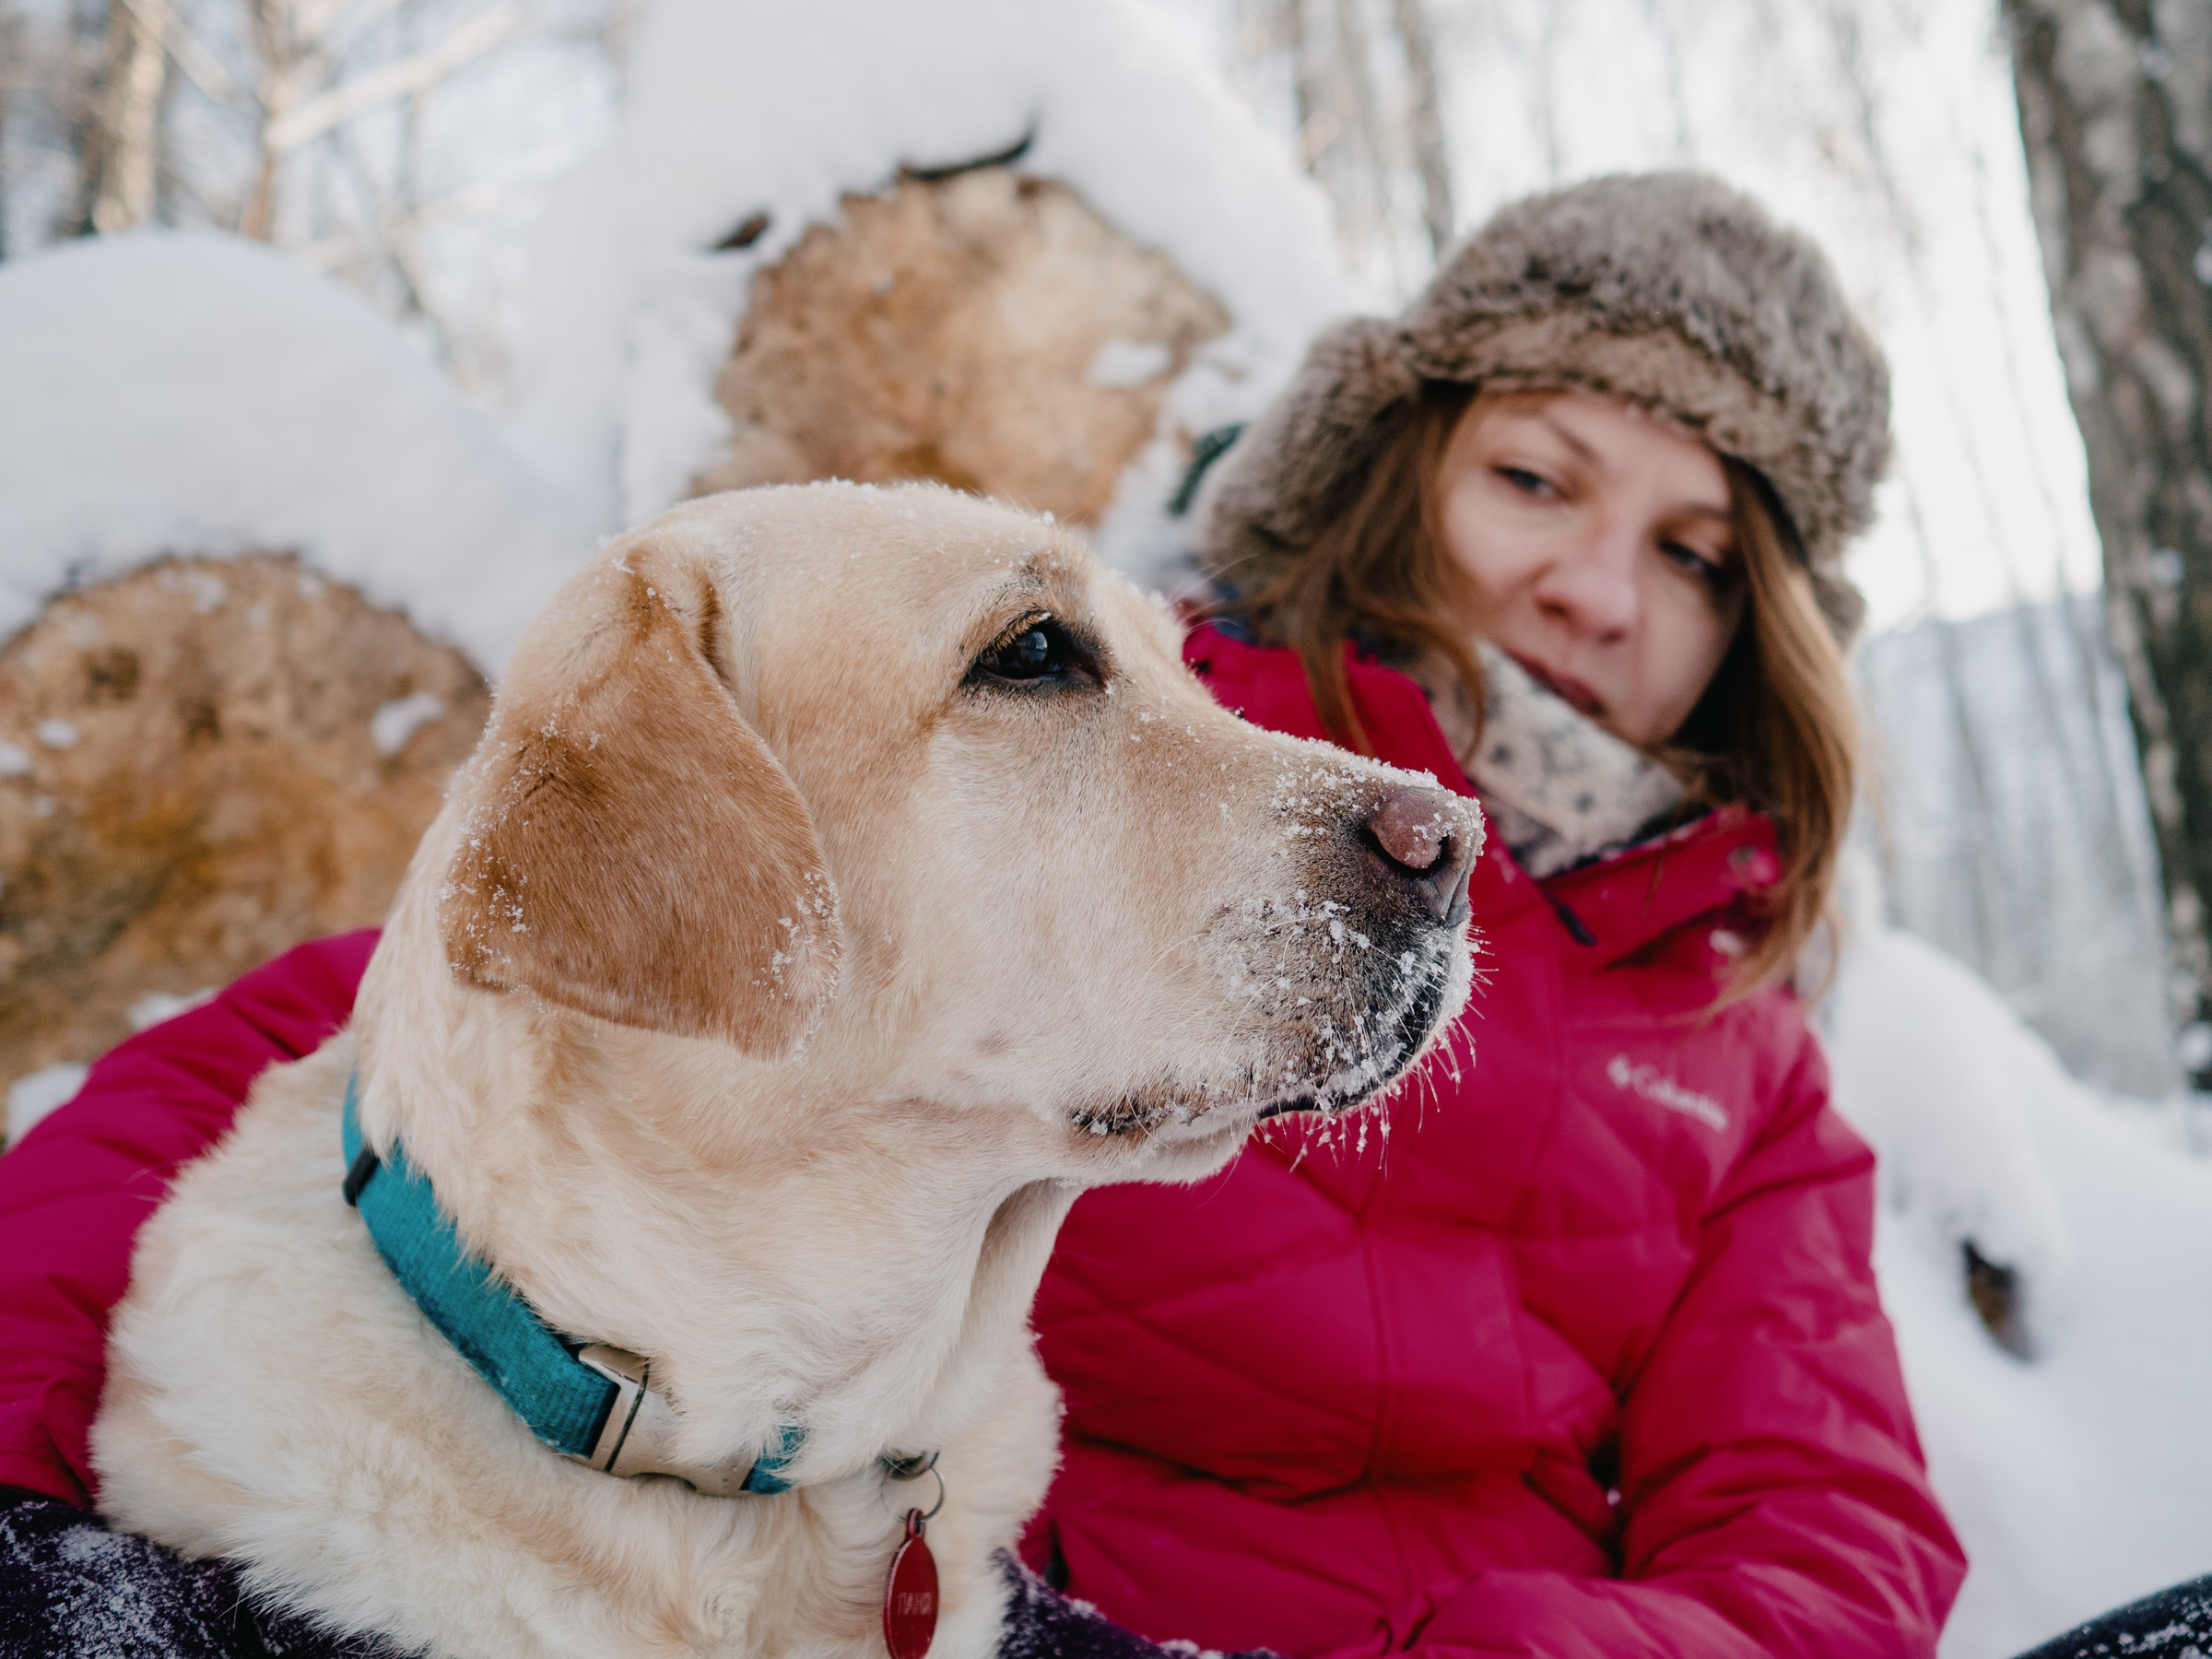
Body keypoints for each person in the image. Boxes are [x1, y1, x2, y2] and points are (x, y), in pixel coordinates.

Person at [0, 172, 1965, 1657]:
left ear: (1755, 637)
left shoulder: (1746, 1059)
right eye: (1538, 476)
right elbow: (405, 1027)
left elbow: (1825, 1535)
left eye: (1696, 553)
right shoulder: (1157, 737)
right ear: (1397, 474)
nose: (1596, 589)